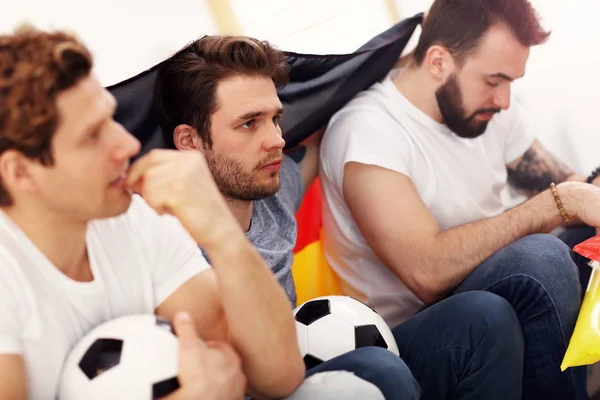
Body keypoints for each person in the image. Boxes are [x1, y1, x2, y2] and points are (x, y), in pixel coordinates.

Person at [154, 34, 527, 400]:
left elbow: (328, 105)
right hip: (257, 388)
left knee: (484, 317)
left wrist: (410, 48)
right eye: (249, 123)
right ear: (190, 141)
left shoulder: (275, 186)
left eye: (275, 119)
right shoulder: (165, 242)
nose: (277, 140)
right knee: (379, 371)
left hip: (309, 363)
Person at [0, 27, 307, 400]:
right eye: (92, 135)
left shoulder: (136, 220)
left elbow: (278, 376)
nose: (129, 144)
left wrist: (222, 234)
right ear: (20, 172)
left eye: (112, 120)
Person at [318, 0, 600, 399]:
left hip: (487, 281)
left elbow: (566, 183)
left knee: (584, 231)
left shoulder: (487, 108)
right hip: (419, 327)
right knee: (540, 258)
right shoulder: (368, 129)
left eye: (511, 83)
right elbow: (427, 274)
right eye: (494, 80)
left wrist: (589, 188)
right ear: (438, 62)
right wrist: (562, 201)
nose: (504, 100)